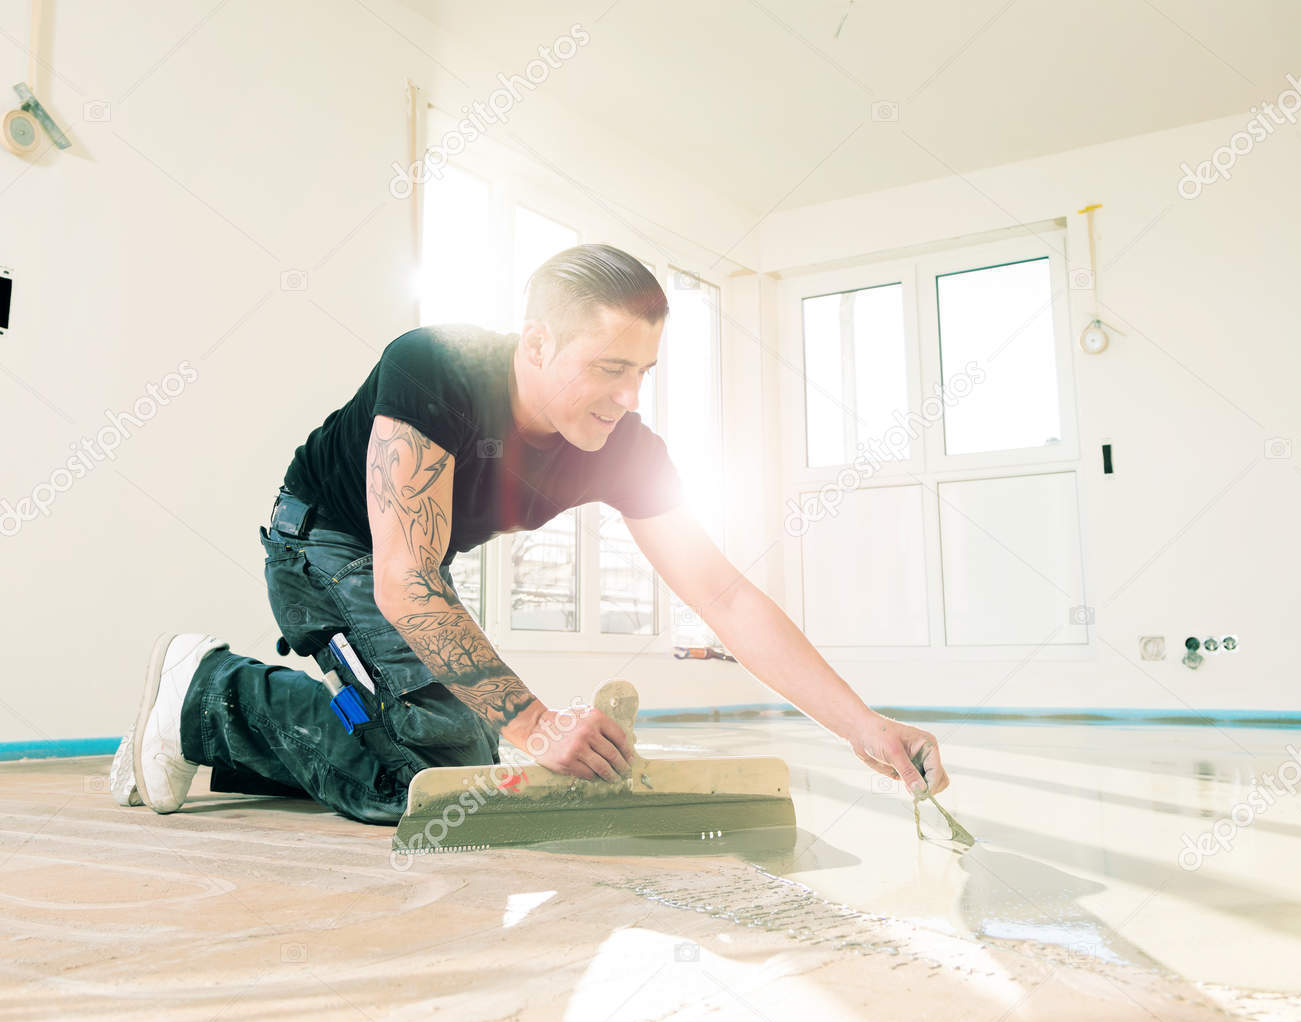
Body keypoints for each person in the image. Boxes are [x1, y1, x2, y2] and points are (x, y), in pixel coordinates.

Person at [109, 244, 949, 824]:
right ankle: (208, 688)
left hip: (402, 567)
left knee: (466, 762)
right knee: (444, 776)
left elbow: (723, 595)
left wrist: (863, 725)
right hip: (321, 541)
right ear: (537, 342)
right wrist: (540, 722)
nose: (628, 397)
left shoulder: (624, 446)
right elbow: (406, 579)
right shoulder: (433, 366)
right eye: (609, 368)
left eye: (644, 372)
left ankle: (211, 733)